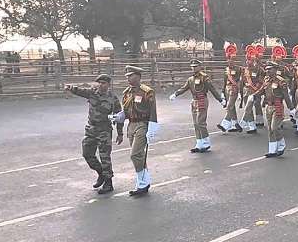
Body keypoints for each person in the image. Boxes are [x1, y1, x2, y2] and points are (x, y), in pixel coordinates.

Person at [65, 74, 123, 194]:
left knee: (105, 156)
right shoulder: (92, 93)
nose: (101, 85)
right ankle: (101, 173)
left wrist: (120, 133)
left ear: (108, 85)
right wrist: (70, 88)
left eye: (104, 83)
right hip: (91, 129)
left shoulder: (113, 98)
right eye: (99, 83)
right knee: (87, 154)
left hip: (104, 130)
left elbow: (119, 117)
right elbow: (79, 91)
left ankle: (108, 183)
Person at [118, 65, 159, 196]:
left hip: (142, 124)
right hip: (131, 125)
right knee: (139, 156)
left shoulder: (147, 91)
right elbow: (125, 110)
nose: (128, 78)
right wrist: (119, 116)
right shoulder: (127, 92)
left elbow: (153, 110)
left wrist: (152, 127)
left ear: (138, 76)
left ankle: (142, 183)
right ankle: (143, 182)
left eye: (131, 76)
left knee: (135, 154)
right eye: (127, 76)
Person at [169, 59, 224, 153]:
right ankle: (199, 143)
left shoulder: (204, 78)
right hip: (194, 101)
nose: (194, 68)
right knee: (195, 123)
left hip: (202, 100)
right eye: (192, 67)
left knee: (200, 122)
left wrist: (220, 100)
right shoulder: (191, 79)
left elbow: (212, 89)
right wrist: (176, 94)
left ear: (199, 67)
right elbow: (184, 88)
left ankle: (206, 142)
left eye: (195, 66)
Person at [247, 62, 294, 157]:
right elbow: (262, 90)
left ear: (275, 70)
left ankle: (281, 144)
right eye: (267, 69)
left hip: (277, 106)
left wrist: (291, 108)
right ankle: (272, 150)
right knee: (270, 129)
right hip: (268, 106)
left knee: (274, 127)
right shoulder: (266, 79)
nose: (267, 71)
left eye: (270, 69)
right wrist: (254, 95)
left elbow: (286, 96)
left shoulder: (281, 81)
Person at [217, 44, 243, 133]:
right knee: (232, 108)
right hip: (227, 89)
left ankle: (224, 124)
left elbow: (240, 81)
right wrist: (222, 92)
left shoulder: (239, 69)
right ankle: (235, 124)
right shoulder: (226, 70)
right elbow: (225, 82)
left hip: (234, 89)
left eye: (232, 60)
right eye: (229, 59)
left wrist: (240, 92)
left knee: (229, 106)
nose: (230, 61)